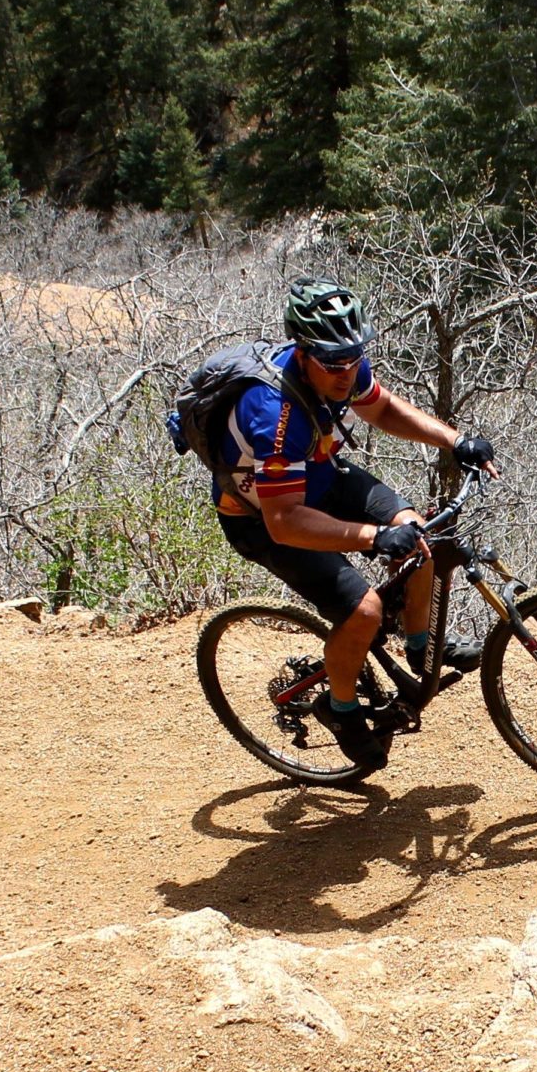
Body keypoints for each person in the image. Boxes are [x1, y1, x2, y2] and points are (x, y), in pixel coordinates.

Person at [200, 277, 495, 766]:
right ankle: (340, 709)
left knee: (419, 533)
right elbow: (285, 522)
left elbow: (380, 406)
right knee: (362, 613)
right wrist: (376, 537)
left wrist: (453, 439)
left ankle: (421, 649)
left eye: (355, 355)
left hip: (320, 474)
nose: (346, 370)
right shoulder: (271, 413)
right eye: (333, 361)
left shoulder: (343, 362)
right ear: (303, 351)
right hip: (264, 519)